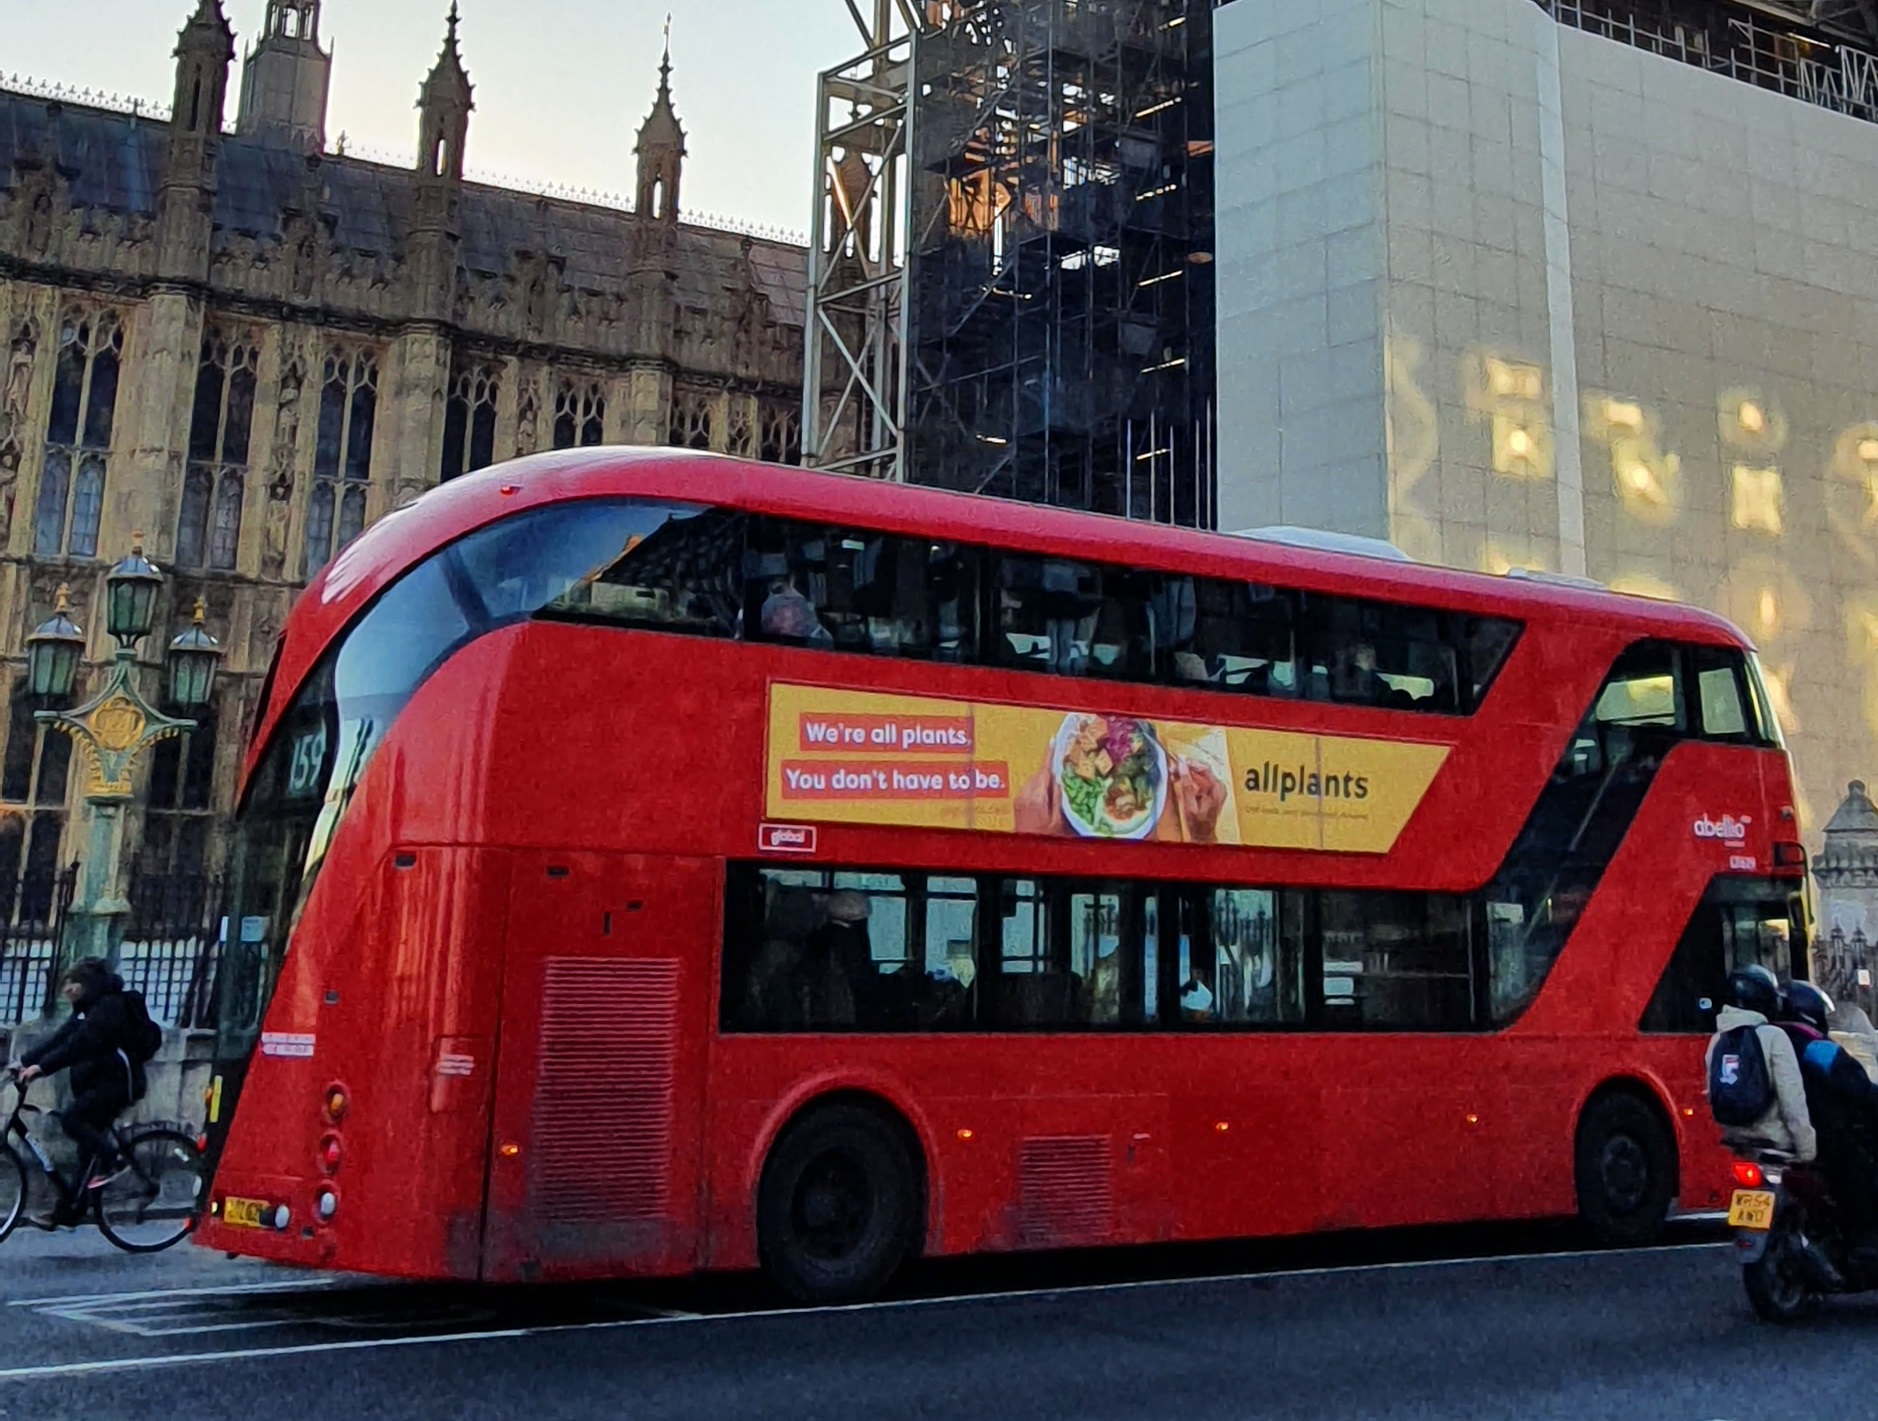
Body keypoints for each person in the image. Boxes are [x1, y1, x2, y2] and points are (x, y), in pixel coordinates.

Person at [8, 959, 142, 1228]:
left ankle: (113, 1160)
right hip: (96, 1083)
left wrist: (41, 1068)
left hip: (117, 1083)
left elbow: (79, 1046)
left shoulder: (107, 1007)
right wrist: (25, 1060)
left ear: (87, 985)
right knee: (85, 1151)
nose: (67, 990)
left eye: (73, 984)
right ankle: (69, 1213)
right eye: (65, 984)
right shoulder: (85, 1010)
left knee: (72, 1120)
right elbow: (61, 1038)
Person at [1782, 981, 1878, 1238]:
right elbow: (1860, 1087)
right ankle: (1863, 1241)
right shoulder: (1815, 1046)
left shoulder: (1771, 1042)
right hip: (1825, 1137)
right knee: (1862, 1175)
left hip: (1785, 1139)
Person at [1705, 964, 1815, 1162]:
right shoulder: (1774, 1036)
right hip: (1774, 1141)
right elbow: (1792, 1099)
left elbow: (1712, 1093)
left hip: (1735, 1141)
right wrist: (1807, 1151)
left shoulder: (1717, 1040)